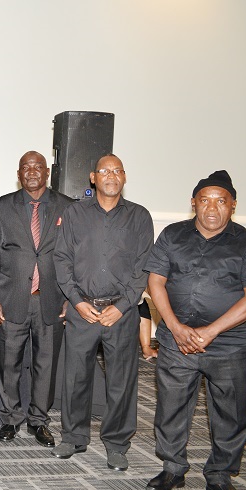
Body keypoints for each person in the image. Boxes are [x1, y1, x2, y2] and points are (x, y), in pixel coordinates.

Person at [144, 170, 246, 490]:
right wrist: (174, 327)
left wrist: (211, 331)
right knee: (171, 408)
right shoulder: (172, 235)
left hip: (230, 346)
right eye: (205, 200)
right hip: (177, 342)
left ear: (233, 205)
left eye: (220, 201)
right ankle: (172, 469)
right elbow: (155, 282)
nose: (212, 208)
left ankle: (220, 477)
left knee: (232, 414)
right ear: (193, 203)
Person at [52, 153, 153, 470]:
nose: (111, 175)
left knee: (121, 381)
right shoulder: (74, 213)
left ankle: (117, 444)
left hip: (121, 313)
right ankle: (73, 437)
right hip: (82, 309)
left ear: (124, 177)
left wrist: (121, 307)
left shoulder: (139, 217)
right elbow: (62, 259)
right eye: (105, 171)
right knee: (75, 378)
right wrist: (76, 301)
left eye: (117, 170)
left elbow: (143, 268)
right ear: (93, 178)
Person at [0, 151, 74, 446]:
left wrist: (71, 297)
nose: (32, 171)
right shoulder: (1, 207)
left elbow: (74, 257)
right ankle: (11, 418)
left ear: (47, 172)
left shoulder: (67, 207)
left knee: (45, 365)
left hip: (52, 299)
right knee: (8, 362)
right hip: (10, 298)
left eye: (38, 167)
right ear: (18, 174)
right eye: (26, 167)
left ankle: (38, 420)